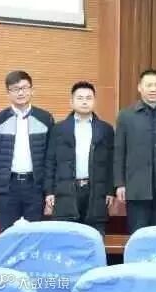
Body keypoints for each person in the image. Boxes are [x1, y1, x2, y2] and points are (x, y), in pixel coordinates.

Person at [114, 69, 156, 234]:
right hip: (136, 188)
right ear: (139, 87)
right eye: (149, 85)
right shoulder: (126, 115)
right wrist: (119, 183)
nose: (153, 89)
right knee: (138, 235)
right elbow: (119, 152)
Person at [0, 71, 54, 231]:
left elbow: (51, 157)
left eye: (24, 88)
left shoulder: (45, 118)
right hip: (8, 187)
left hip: (35, 186)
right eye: (15, 89)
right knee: (8, 233)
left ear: (32, 90)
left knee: (35, 234)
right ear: (8, 93)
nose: (20, 93)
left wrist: (49, 189)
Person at [44, 82, 114, 234]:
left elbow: (111, 163)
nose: (84, 102)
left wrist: (110, 191)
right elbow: (50, 162)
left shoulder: (105, 129)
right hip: (66, 191)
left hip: (95, 191)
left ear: (94, 101)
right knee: (65, 238)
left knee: (94, 237)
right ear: (71, 101)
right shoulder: (59, 129)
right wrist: (49, 191)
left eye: (88, 98)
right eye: (80, 98)